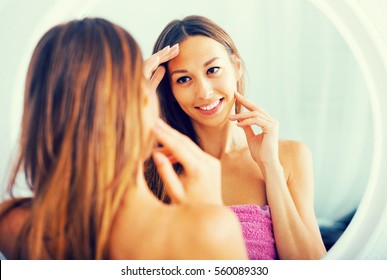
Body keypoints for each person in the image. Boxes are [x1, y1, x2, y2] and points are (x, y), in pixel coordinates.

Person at [0, 17, 247, 260]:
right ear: (144, 100)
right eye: (183, 79)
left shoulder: (13, 224)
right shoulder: (207, 232)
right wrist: (210, 213)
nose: (203, 91)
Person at [145, 15, 327, 260]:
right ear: (170, 90)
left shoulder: (290, 156)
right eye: (184, 79)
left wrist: (269, 165)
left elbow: (313, 266)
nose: (204, 92)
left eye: (213, 70)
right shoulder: (154, 167)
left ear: (237, 67)